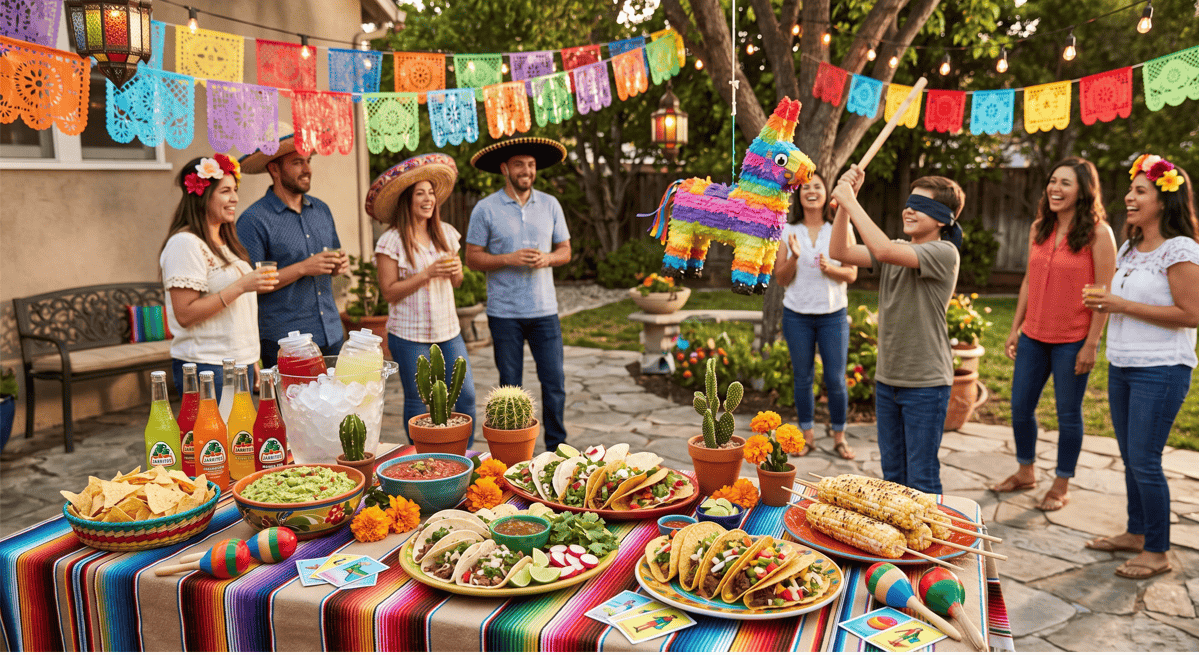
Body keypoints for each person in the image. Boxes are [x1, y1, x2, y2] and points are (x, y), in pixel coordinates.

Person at [1082, 155, 1197, 580]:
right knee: (1130, 457)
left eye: (1140, 192)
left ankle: (1158, 550)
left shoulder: (1181, 249)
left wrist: (1120, 304)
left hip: (1163, 369)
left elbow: (1191, 313)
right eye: (1131, 191)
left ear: (1164, 201)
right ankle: (1136, 532)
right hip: (1124, 364)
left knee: (1145, 459)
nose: (1129, 198)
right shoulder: (1130, 247)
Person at [991, 158, 1117, 511]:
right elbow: (1029, 281)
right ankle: (1026, 471)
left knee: (1068, 414)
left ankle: (1061, 484)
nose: (1055, 189)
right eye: (1052, 181)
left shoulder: (1099, 233)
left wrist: (1091, 343)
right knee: (1019, 408)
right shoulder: (1039, 228)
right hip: (1033, 335)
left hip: (1073, 339)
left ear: (1083, 191)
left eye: (1065, 183)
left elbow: (1102, 292)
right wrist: (1016, 327)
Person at [829, 166, 963, 494]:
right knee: (893, 477)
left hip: (926, 384)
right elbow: (840, 252)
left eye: (921, 205)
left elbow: (886, 250)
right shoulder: (895, 250)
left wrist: (850, 200)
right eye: (909, 202)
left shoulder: (944, 253)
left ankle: (931, 543)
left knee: (921, 479)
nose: (909, 209)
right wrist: (846, 207)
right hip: (888, 379)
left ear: (943, 219)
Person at [465, 137, 572, 452]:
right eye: (519, 165)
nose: (527, 170)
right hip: (504, 313)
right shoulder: (485, 208)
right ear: (505, 169)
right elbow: (472, 257)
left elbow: (565, 250)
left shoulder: (550, 204)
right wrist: (508, 258)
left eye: (531, 165)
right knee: (509, 391)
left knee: (555, 385)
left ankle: (557, 449)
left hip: (544, 311)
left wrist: (547, 259)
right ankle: (513, 452)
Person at [365, 153, 476, 443]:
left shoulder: (447, 234)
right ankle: (423, 459)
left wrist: (456, 272)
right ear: (407, 200)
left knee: (466, 397)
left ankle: (463, 456)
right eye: (420, 194)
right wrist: (426, 274)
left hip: (448, 331)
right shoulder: (391, 241)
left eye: (431, 193)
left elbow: (458, 281)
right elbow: (388, 291)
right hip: (409, 335)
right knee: (418, 403)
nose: (428, 200)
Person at [159, 154, 277, 400]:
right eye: (225, 191)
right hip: (207, 367)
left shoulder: (226, 243)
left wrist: (251, 355)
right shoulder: (185, 244)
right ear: (202, 195)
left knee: (237, 438)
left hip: (239, 363)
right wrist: (241, 285)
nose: (235, 198)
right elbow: (185, 314)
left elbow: (239, 315)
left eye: (235, 190)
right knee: (213, 439)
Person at [236, 124, 350, 369]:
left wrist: (338, 265)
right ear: (274, 169)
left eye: (308, 161)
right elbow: (249, 285)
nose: (307, 169)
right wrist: (303, 268)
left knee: (334, 407)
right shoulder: (253, 220)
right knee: (291, 409)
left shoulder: (321, 210)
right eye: (298, 162)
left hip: (331, 332)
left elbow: (334, 261)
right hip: (285, 340)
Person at [772, 172, 858, 459]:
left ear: (826, 193)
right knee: (803, 378)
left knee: (835, 379)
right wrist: (795, 257)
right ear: (798, 194)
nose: (811, 191)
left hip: (833, 315)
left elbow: (852, 272)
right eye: (805, 187)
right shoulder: (787, 230)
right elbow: (780, 279)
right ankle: (807, 437)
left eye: (817, 186)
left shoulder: (839, 226)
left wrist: (830, 269)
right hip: (797, 315)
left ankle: (839, 437)